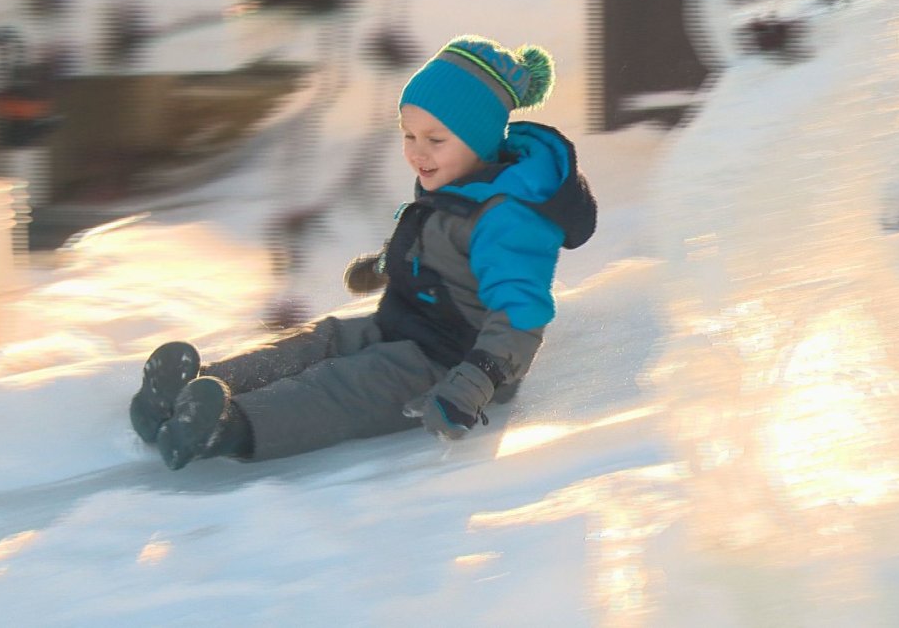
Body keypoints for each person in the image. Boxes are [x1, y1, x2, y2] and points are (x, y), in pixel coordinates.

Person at [129, 34, 597, 470]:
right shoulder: (458, 180)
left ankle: (224, 428)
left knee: (340, 387)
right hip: (401, 324)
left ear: (479, 141)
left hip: (452, 363)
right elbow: (438, 242)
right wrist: (386, 264)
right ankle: (196, 389)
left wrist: (471, 384)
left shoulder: (509, 219)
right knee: (317, 342)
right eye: (409, 135)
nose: (417, 152)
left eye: (435, 139)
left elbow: (521, 315)